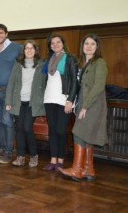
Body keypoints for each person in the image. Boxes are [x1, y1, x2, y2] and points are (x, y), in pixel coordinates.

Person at [59, 34, 108, 181]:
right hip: (83, 103)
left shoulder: (100, 62)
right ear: (82, 46)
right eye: (86, 43)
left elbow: (98, 86)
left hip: (92, 105)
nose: (89, 46)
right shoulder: (81, 63)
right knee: (85, 135)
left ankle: (77, 169)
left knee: (79, 133)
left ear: (97, 47)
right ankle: (88, 169)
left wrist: (85, 106)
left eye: (93, 44)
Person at [5, 40, 45, 167]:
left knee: (27, 128)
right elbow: (11, 83)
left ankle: (34, 156)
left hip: (33, 102)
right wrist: (8, 101)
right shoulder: (18, 64)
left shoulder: (41, 65)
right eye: (26, 48)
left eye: (32, 48)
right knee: (19, 128)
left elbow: (45, 85)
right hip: (18, 101)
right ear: (23, 51)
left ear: (35, 50)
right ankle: (21, 156)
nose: (29, 50)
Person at [42, 34, 78, 171]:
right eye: (52, 43)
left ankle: (61, 160)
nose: (55, 45)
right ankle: (53, 160)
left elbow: (75, 81)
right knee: (52, 130)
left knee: (60, 130)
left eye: (58, 42)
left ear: (63, 44)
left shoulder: (70, 58)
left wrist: (70, 100)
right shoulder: (49, 59)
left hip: (64, 100)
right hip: (49, 99)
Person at [0, 24, 22, 164]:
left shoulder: (17, 48)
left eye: (1, 33)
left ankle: (9, 151)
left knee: (7, 121)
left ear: (6, 34)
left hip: (10, 92)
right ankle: (2, 147)